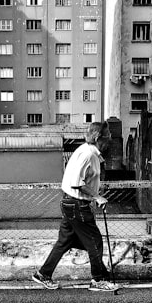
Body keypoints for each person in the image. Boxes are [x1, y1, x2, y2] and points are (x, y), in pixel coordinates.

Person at [32, 122, 118, 292]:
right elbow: (76, 183)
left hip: (69, 203)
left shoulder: (85, 150)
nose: (110, 139)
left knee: (65, 241)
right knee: (95, 241)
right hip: (78, 204)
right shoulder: (88, 155)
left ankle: (44, 274)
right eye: (108, 136)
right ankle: (98, 280)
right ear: (98, 137)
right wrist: (97, 196)